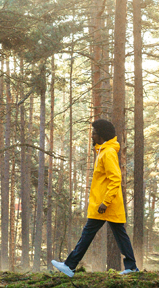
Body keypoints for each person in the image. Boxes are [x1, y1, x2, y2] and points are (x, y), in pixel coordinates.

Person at [52, 118, 139, 276]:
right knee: (118, 234)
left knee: (89, 234)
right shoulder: (104, 151)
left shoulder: (109, 153)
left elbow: (115, 179)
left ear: (101, 135)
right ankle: (131, 267)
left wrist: (105, 202)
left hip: (105, 205)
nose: (92, 136)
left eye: (94, 133)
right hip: (104, 204)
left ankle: (70, 265)